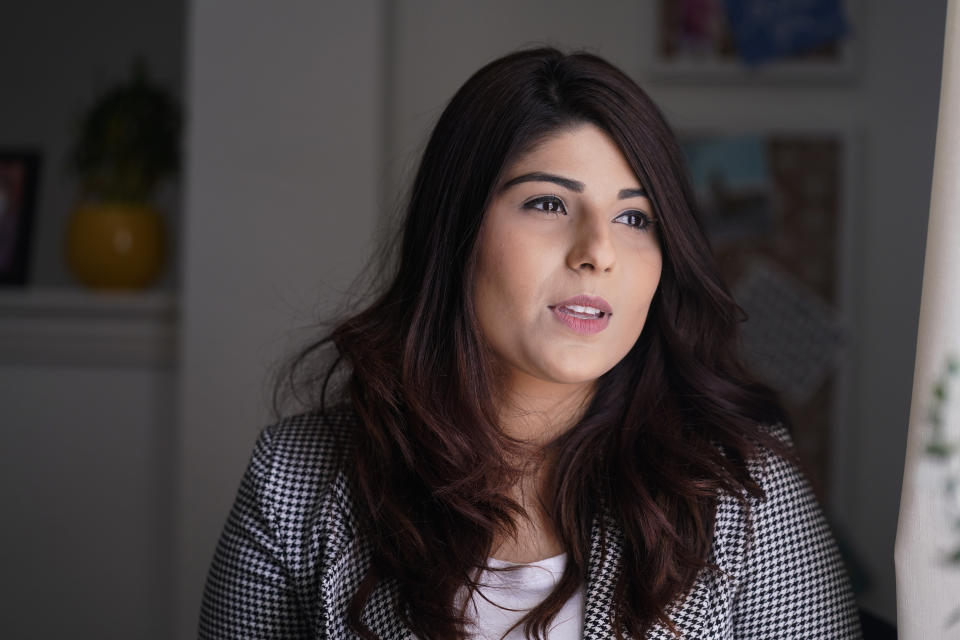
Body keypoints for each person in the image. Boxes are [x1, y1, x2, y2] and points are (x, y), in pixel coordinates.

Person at [199, 48, 862, 639]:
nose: (598, 252)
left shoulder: (745, 497)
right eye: (548, 204)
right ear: (456, 230)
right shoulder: (295, 480)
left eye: (635, 218)